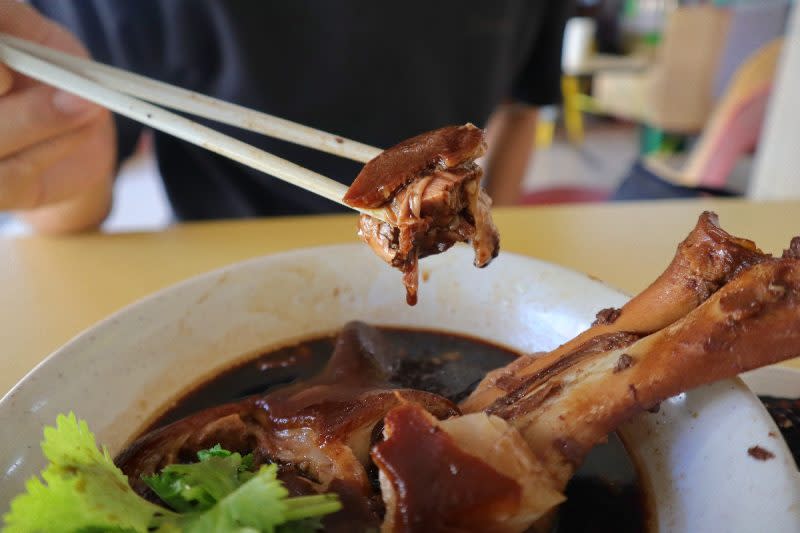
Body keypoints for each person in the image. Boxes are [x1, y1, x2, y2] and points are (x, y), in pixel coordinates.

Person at [0, 1, 572, 234]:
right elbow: (69, 190)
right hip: (217, 255)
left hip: (442, 249)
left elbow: (523, 107)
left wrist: (496, 226)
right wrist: (49, 151)